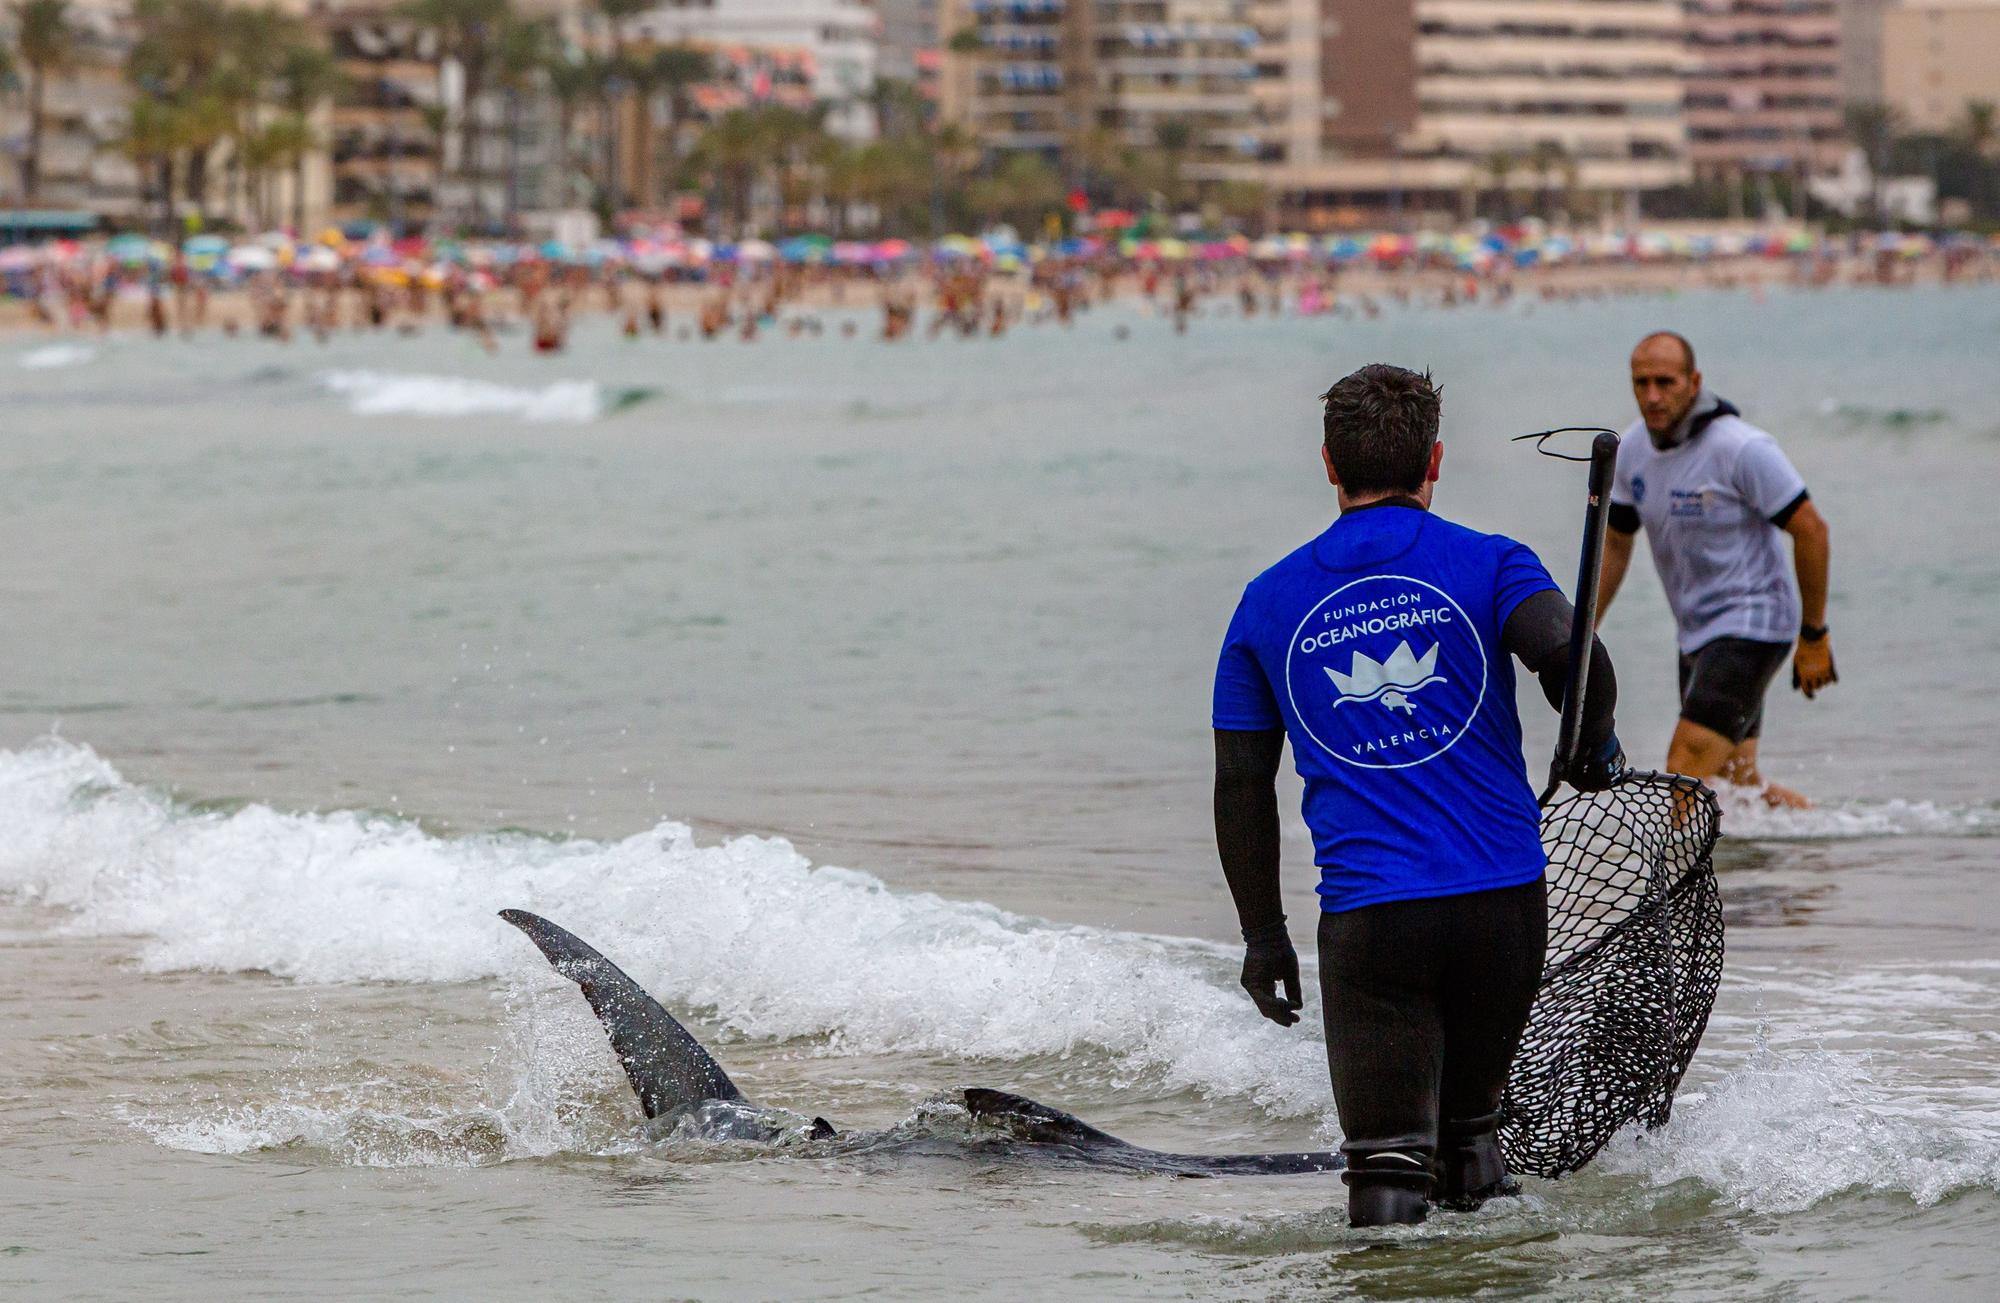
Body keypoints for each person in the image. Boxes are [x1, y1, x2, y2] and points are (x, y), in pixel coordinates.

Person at [1212, 364, 1623, 1227]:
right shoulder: (1493, 561)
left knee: (1388, 1166)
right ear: (1436, 458)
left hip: (1374, 920)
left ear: (1328, 463)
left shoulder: (1265, 603)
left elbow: (1243, 786)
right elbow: (1577, 661)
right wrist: (1588, 748)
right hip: (1502, 906)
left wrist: (1263, 936)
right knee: (1471, 1140)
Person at [1599, 332, 1834, 808]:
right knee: (1738, 786)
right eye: (1640, 383)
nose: (1652, 396)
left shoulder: (1741, 448)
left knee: (1684, 768)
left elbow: (1811, 531)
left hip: (1755, 624)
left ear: (1695, 381)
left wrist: (1815, 636)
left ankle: (1667, 880)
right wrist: (1581, 631)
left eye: (1665, 382)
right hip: (1696, 634)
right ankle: (1814, 850)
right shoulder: (1632, 451)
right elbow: (1617, 544)